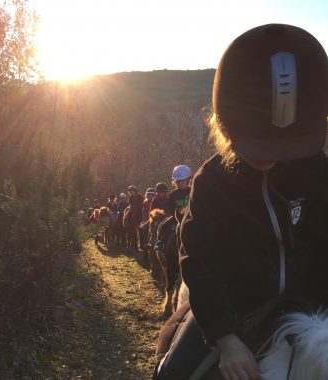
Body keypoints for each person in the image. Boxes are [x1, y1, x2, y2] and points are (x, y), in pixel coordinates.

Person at [154, 23, 328, 380]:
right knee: (171, 373)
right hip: (236, 311)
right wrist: (226, 337)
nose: (272, 157)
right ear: (224, 125)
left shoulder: (315, 168)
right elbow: (198, 261)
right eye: (261, 144)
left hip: (313, 306)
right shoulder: (212, 183)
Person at [154, 165, 192, 251]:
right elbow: (169, 207)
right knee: (162, 226)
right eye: (177, 181)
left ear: (188, 180)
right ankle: (160, 243)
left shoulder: (193, 191)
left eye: (182, 181)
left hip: (191, 219)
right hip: (176, 219)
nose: (179, 183)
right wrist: (174, 211)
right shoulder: (173, 194)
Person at [139, 187, 156, 252]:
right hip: (147, 220)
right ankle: (145, 244)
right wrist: (145, 219)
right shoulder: (145, 203)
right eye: (148, 195)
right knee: (144, 229)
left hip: (155, 219)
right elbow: (144, 212)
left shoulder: (155, 201)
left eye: (151, 195)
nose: (150, 196)